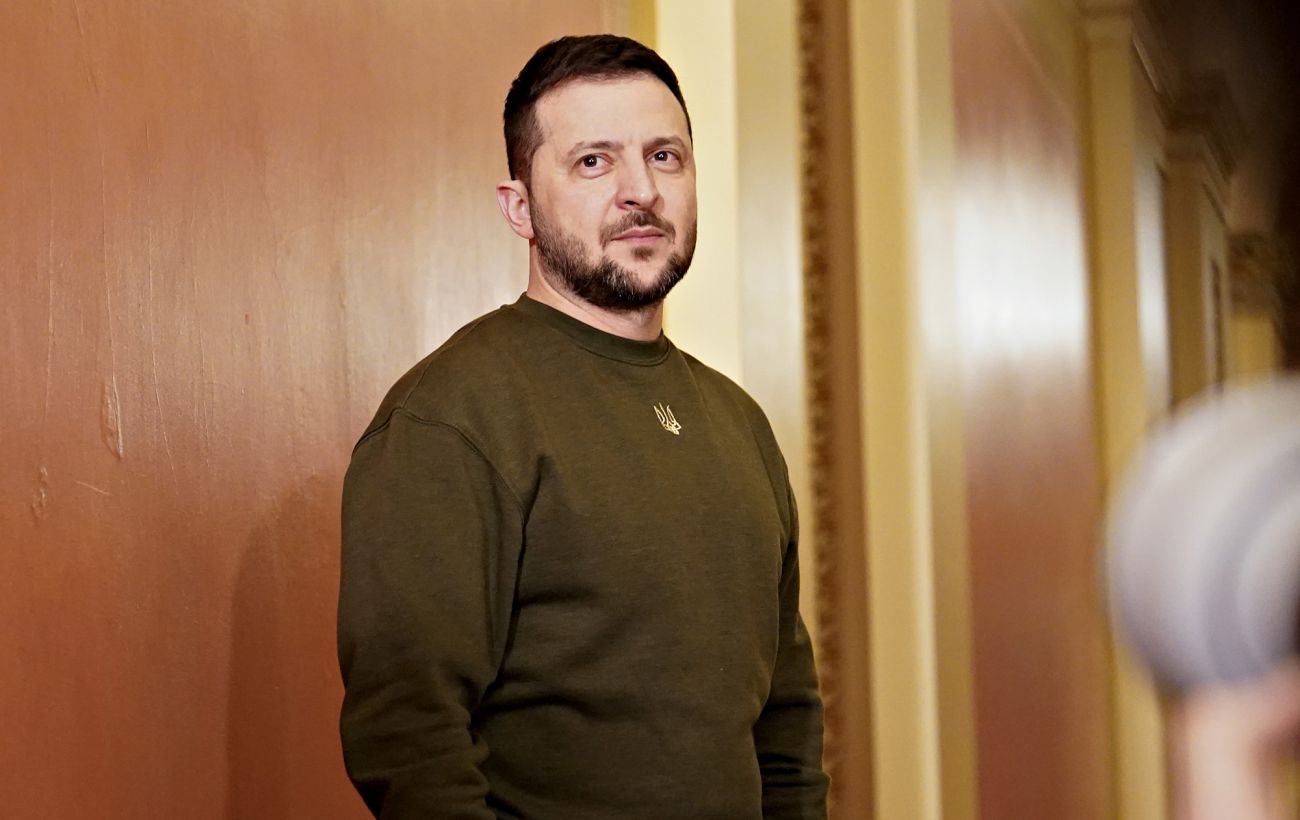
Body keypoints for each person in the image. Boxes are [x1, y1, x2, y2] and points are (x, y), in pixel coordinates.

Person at [337, 34, 828, 819]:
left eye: (665, 157)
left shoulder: (740, 423)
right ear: (520, 208)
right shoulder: (451, 416)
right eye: (594, 162)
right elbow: (409, 737)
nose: (642, 191)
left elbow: (787, 724)